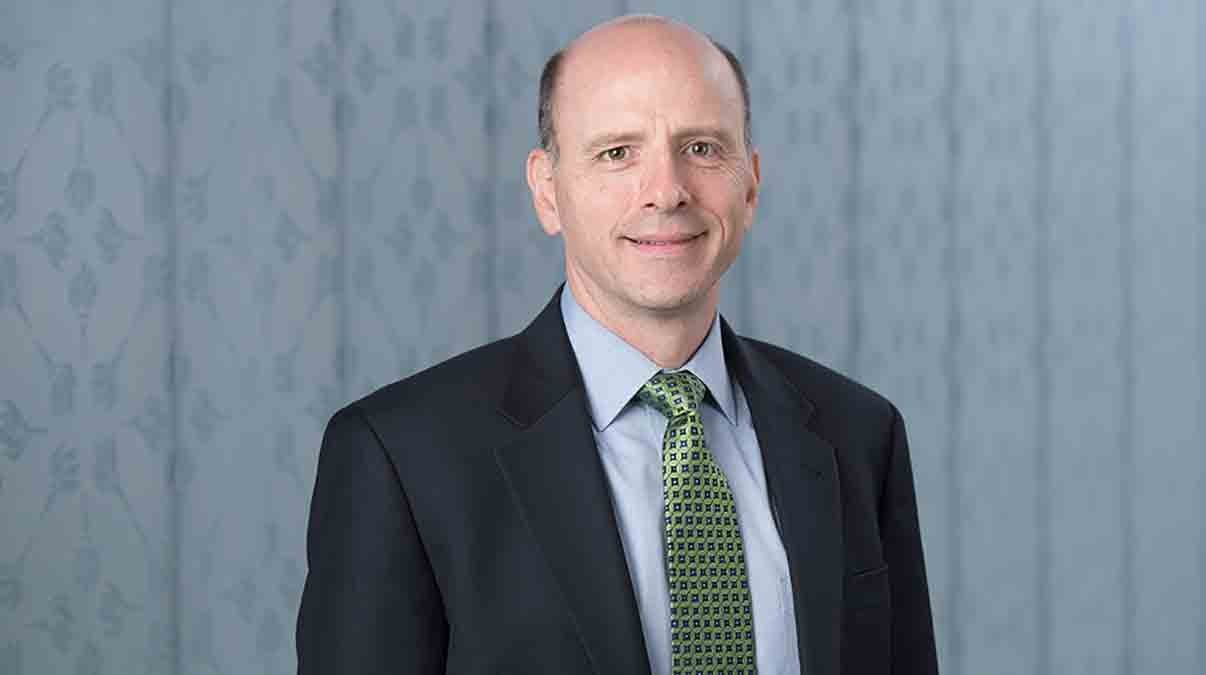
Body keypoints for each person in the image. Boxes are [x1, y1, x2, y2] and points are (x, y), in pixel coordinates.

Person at [296, 14, 938, 675]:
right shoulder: (401, 458)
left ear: (750, 184)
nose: (666, 191)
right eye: (617, 153)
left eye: (702, 148)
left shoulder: (860, 435)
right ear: (548, 192)